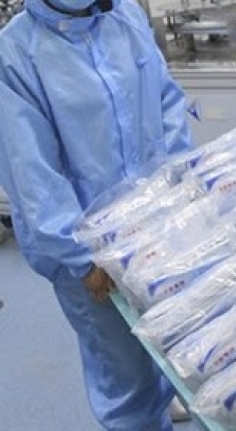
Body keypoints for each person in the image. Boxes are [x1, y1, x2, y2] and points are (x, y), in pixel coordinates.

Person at [0, 0, 192, 428]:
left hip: (158, 225)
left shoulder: (125, 18)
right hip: (90, 253)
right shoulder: (14, 53)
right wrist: (83, 255)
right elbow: (31, 172)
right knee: (126, 375)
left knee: (174, 332)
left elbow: (167, 103)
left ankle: (162, 401)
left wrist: (181, 191)